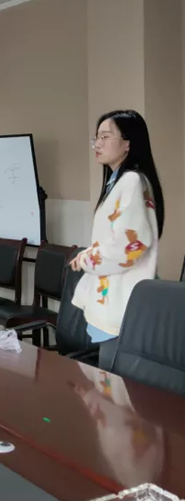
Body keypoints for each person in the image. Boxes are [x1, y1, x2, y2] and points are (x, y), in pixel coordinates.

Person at [71, 110, 165, 369]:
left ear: (127, 144)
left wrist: (87, 259)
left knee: (113, 383)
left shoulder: (132, 181)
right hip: (113, 296)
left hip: (122, 300)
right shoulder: (119, 182)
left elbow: (130, 244)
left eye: (105, 137)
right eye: (96, 138)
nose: (97, 144)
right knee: (108, 380)